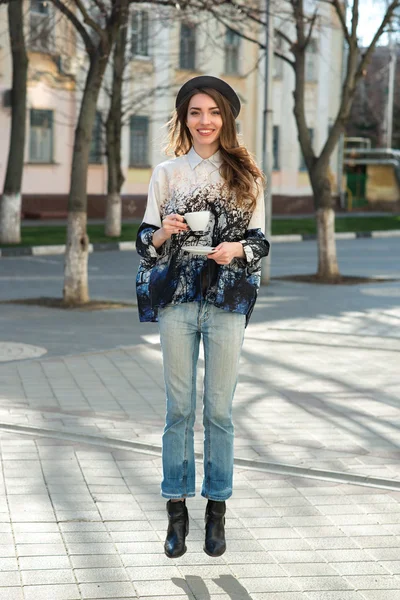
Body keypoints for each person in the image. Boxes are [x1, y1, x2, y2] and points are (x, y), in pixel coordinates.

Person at [135, 75, 270, 559]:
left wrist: (236, 249)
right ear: (184, 118)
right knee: (178, 411)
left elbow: (260, 244)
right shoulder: (167, 172)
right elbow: (144, 241)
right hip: (177, 300)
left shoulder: (248, 175)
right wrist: (162, 233)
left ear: (226, 119)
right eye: (196, 112)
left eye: (213, 112)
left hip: (227, 301)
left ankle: (217, 512)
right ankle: (176, 512)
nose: (205, 121)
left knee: (218, 411)